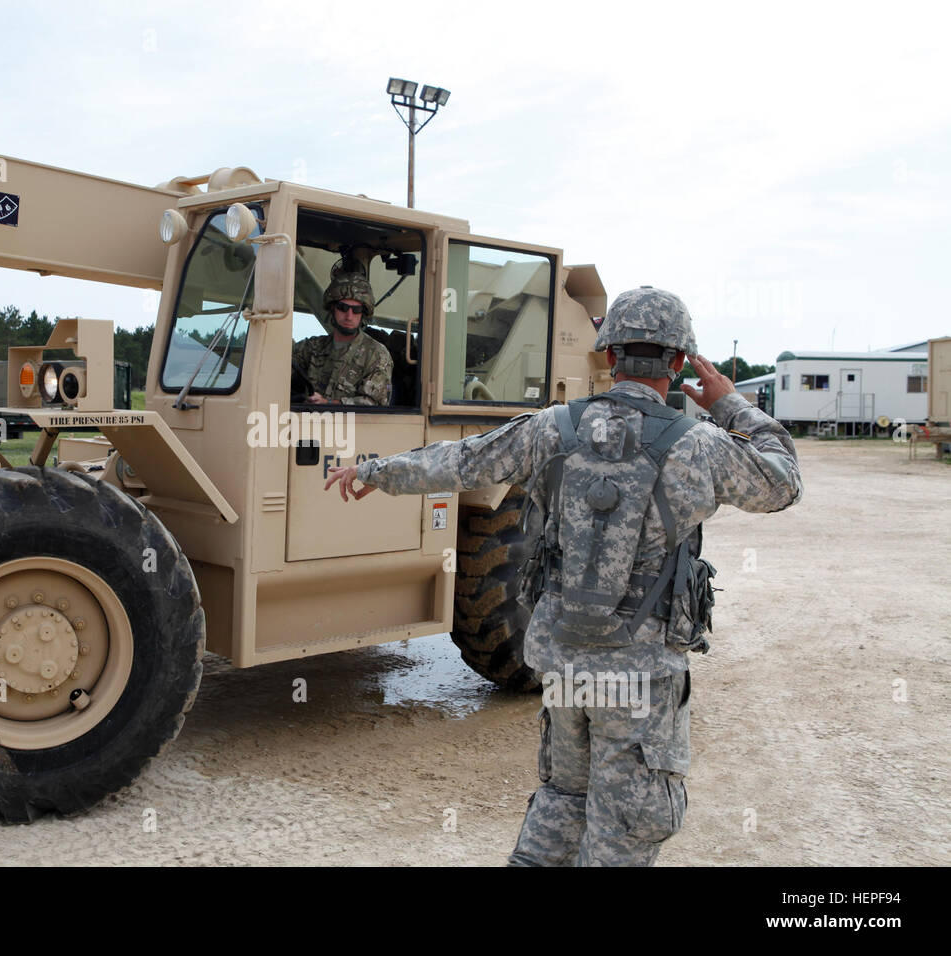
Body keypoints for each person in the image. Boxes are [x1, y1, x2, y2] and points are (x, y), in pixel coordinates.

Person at [324, 286, 803, 866]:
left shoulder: (553, 427)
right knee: (625, 827)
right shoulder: (699, 446)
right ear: (679, 363)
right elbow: (783, 480)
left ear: (608, 356)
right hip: (639, 672)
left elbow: (463, 460)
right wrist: (729, 403)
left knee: (562, 798)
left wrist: (374, 470)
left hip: (564, 659)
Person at [292, 271, 393, 406]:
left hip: (351, 426)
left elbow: (371, 404)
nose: (349, 316)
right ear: (333, 309)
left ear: (363, 313)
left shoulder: (376, 355)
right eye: (343, 308)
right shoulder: (312, 347)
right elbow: (277, 368)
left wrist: (327, 403)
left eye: (356, 310)